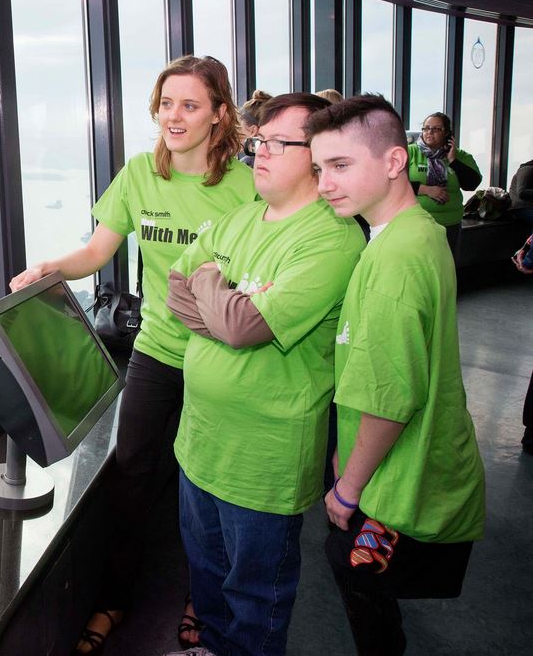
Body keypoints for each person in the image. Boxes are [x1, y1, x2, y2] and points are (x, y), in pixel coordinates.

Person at [9, 55, 255, 654]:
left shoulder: (247, 188)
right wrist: (48, 266)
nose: (175, 116)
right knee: (131, 475)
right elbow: (97, 252)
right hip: (158, 350)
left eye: (190, 105)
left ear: (220, 114)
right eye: (167, 103)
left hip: (221, 358)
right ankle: (114, 598)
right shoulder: (142, 173)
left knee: (212, 485)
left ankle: (205, 598)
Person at [162, 93, 365, 656]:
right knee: (206, 576)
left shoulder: (332, 238)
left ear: (318, 156)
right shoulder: (242, 216)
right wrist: (223, 304)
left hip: (263, 459)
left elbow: (245, 328)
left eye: (279, 143)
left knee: (256, 599)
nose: (261, 152)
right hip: (199, 443)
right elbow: (175, 290)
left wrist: (216, 291)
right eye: (259, 141)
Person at [308, 95, 486, 656]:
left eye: (340, 166)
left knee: (354, 569)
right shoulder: (417, 230)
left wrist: (348, 488)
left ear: (392, 162)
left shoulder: (393, 264)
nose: (323, 185)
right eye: (318, 168)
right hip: (410, 464)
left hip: (391, 484)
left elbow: (392, 398)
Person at [408, 111, 482, 251]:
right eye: (426, 128)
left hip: (450, 224)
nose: (430, 132)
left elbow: (471, 184)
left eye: (437, 129)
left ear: (447, 133)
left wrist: (453, 161)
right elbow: (391, 183)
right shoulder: (409, 152)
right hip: (416, 222)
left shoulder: (461, 156)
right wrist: (425, 189)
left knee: (446, 268)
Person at [236, 90, 272, 168]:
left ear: (253, 130)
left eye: (239, 128)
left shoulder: (248, 164)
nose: (236, 133)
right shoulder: (280, 158)